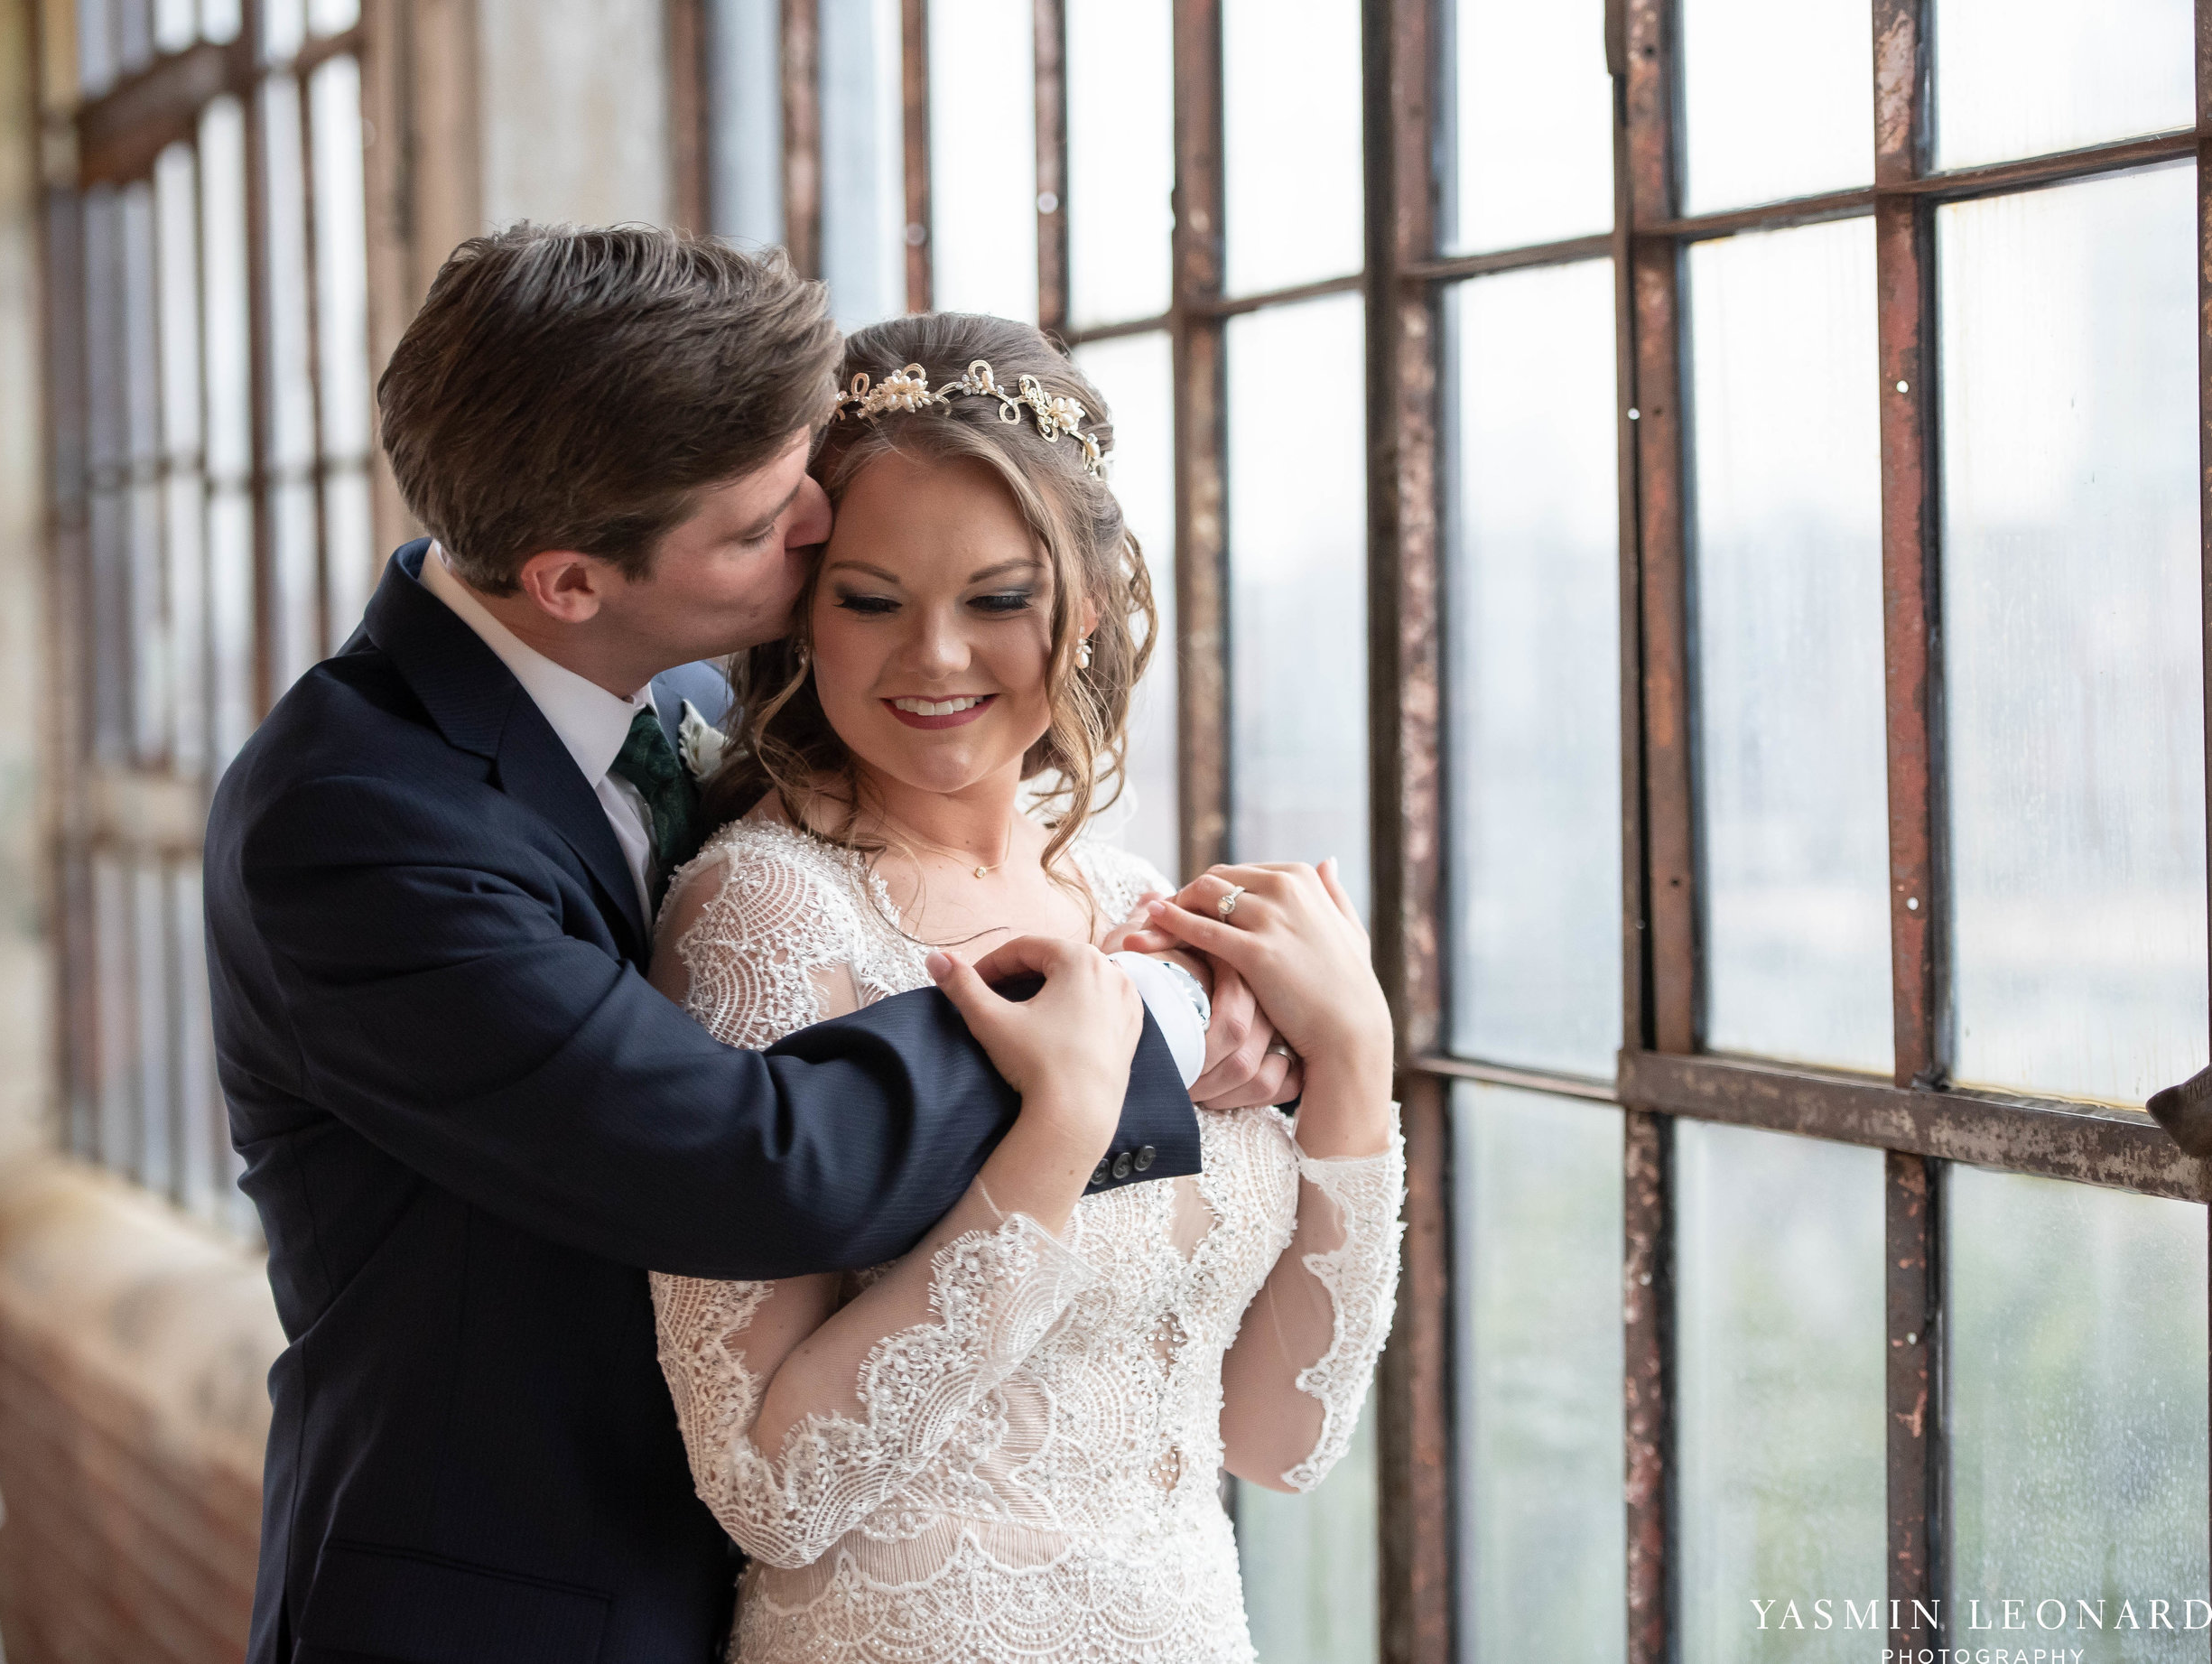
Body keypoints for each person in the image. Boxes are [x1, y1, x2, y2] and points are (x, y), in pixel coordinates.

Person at [202, 226, 1296, 1664]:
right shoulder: (356, 821)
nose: (817, 530)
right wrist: (1134, 1004)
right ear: (570, 580)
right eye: (762, 522)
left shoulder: (665, 704)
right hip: (513, 1604)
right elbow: (743, 1158)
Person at [646, 312, 1403, 1664]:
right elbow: (768, 1489)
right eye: (872, 601)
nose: (935, 659)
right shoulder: (766, 914)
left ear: (1092, 600)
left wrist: (1353, 1061)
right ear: (803, 615)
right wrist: (1057, 1133)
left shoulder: (1136, 910)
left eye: (999, 599)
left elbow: (1278, 1439)